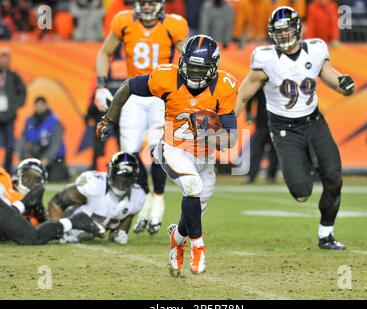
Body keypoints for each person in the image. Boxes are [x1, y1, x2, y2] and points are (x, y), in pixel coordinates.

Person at [96, 35, 238, 275]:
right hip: (172, 149)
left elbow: (230, 140)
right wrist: (109, 117)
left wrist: (209, 133)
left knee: (192, 212)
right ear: (182, 61)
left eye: (199, 68)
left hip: (204, 159)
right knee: (192, 187)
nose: (193, 73)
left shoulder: (224, 86)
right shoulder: (166, 77)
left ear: (212, 68)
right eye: (190, 66)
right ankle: (198, 247)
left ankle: (178, 238)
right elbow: (129, 86)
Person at [234, 7, 355, 250]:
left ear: (298, 28)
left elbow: (328, 74)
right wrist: (225, 123)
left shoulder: (317, 48)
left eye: (287, 30)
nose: (283, 36)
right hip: (283, 128)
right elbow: (244, 94)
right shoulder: (265, 58)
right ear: (271, 34)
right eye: (278, 32)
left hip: (314, 121)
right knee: (301, 193)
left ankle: (326, 235)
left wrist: (343, 84)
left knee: (333, 178)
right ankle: (303, 165)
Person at [95, 0, 189, 235]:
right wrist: (101, 85)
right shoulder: (124, 21)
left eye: (151, 2)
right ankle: (145, 197)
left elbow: (187, 57)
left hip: (161, 94)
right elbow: (105, 52)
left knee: (159, 148)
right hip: (134, 93)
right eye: (143, 2)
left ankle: (158, 200)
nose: (147, 7)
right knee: (129, 151)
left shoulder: (173, 25)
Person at [47, 151, 145, 245]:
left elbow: (124, 220)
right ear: (111, 172)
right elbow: (57, 202)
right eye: (120, 177)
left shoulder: (137, 196)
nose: (122, 182)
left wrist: (119, 233)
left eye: (127, 178)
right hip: (68, 225)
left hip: (89, 234)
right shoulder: (94, 184)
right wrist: (60, 230)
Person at [0, 158, 101, 245]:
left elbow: (14, 227)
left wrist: (38, 213)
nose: (30, 182)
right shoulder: (5, 180)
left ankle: (73, 222)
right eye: (27, 177)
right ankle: (73, 222)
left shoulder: (33, 212)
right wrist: (25, 202)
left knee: (31, 237)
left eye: (35, 180)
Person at [18, 96, 69, 182]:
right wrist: (20, 152)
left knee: (53, 179)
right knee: (30, 180)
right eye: (37, 106)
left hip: (53, 158)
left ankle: (63, 172)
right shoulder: (30, 120)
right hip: (36, 154)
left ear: (46, 106)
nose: (39, 108)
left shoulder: (54, 121)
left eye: (41, 105)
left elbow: (56, 144)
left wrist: (47, 159)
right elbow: (23, 138)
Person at [0, 47, 26, 173]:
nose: (4, 61)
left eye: (6, 59)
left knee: (10, 144)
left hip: (9, 116)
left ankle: (7, 169)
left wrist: (16, 105)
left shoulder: (13, 76)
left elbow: (22, 91)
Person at [245, 88, 278, 183]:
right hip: (261, 124)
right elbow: (250, 96)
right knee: (256, 150)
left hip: (276, 124)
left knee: (275, 151)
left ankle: (271, 176)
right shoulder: (262, 84)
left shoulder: (280, 83)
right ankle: (251, 175)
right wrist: (248, 112)